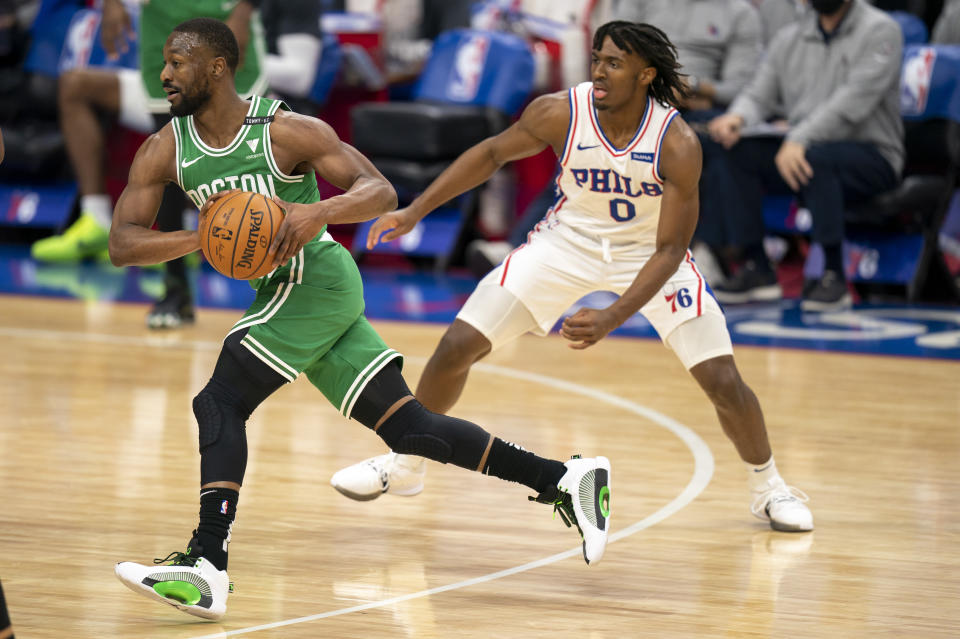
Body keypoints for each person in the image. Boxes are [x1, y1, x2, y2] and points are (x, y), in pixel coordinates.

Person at [109, 18, 610, 621]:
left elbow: (379, 190)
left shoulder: (285, 130)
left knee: (219, 402)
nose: (164, 74)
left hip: (313, 278)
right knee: (410, 431)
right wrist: (203, 236)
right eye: (164, 63)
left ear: (217, 68)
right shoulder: (165, 147)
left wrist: (314, 211)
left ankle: (206, 563)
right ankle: (565, 479)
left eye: (178, 62)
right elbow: (124, 243)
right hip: (285, 289)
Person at [332, 21, 814, 536]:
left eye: (614, 63)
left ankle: (769, 487)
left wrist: (613, 315)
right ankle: (406, 465)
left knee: (721, 379)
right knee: (457, 345)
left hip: (647, 255)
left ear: (646, 74)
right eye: (597, 59)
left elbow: (672, 249)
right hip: (567, 244)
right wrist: (415, 211)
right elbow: (492, 154)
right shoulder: (561, 110)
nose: (599, 72)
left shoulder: (676, 142)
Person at [32, 0, 266, 329]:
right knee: (169, 161)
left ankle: (290, 287)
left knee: (259, 160)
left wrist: (244, 9)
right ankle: (175, 289)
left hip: (224, 23)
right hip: (163, 30)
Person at [706, 0, 904, 309]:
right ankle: (756, 266)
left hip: (873, 154)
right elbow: (759, 93)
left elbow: (852, 104)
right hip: (799, 148)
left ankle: (833, 275)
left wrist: (800, 137)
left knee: (816, 157)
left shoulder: (881, 30)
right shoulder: (789, 37)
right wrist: (738, 117)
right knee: (736, 149)